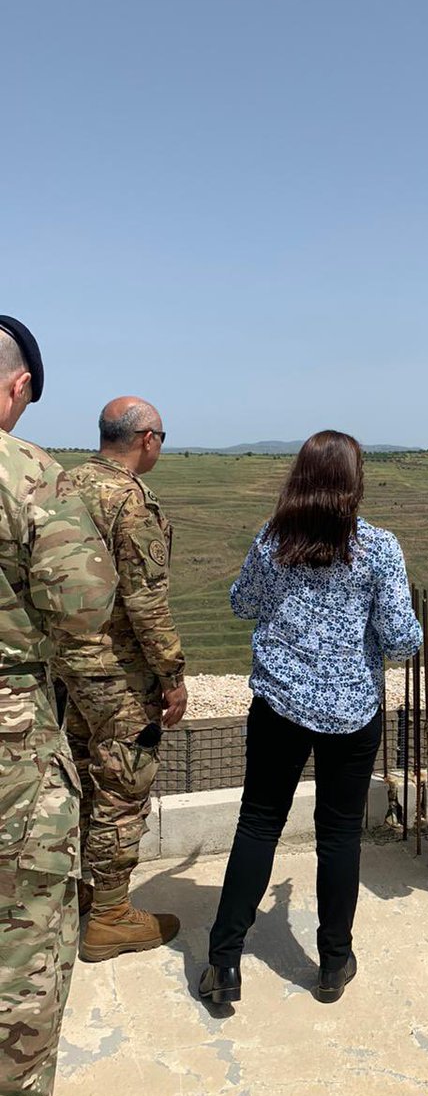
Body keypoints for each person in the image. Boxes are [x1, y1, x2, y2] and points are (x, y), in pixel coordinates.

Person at [199, 430, 421, 1004]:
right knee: (339, 834)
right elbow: (399, 640)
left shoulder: (273, 541)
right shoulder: (379, 547)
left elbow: (243, 604)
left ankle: (224, 964)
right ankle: (332, 963)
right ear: (354, 484)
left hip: (278, 702)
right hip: (352, 711)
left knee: (259, 824)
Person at [0, 316, 119, 1096]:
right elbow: (83, 608)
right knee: (27, 933)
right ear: (17, 388)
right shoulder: (29, 474)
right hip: (11, 736)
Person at [59, 397, 187, 961]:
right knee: (122, 788)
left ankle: (87, 891)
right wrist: (171, 673)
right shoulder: (129, 502)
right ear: (147, 439)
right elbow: (145, 599)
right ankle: (110, 916)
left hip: (67, 665)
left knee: (87, 775)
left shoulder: (65, 483)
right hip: (119, 673)